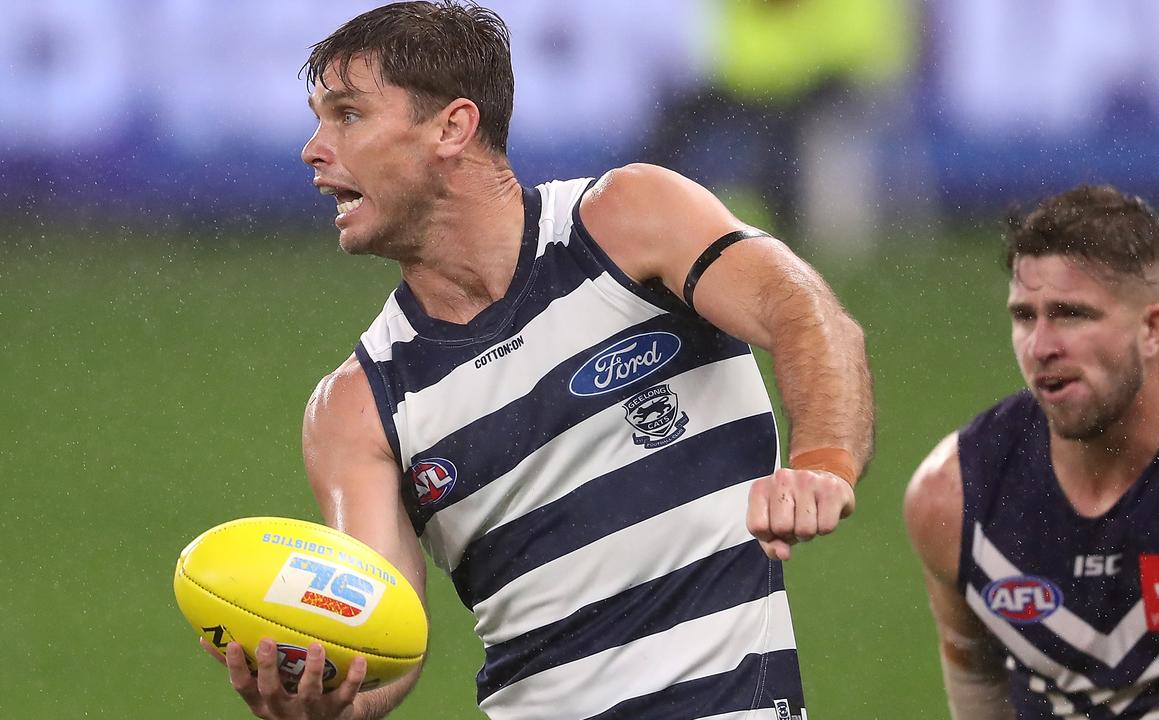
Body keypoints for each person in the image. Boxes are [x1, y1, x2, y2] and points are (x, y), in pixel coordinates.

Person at [198, 2, 874, 719]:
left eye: (348, 115)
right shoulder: (356, 409)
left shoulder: (630, 225)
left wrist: (823, 460)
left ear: (453, 128)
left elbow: (805, 314)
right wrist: (332, 704)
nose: (313, 147)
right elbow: (380, 646)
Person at [903, 185, 1159, 719]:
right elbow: (977, 692)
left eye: (1071, 314)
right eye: (1024, 316)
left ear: (1152, 329)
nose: (1041, 347)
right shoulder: (951, 498)